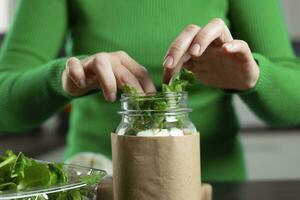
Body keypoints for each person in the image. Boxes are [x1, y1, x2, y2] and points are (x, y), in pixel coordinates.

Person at [0, 0, 299, 182]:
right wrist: (64, 77)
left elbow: (293, 104)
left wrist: (252, 76)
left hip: (214, 185)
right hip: (98, 184)